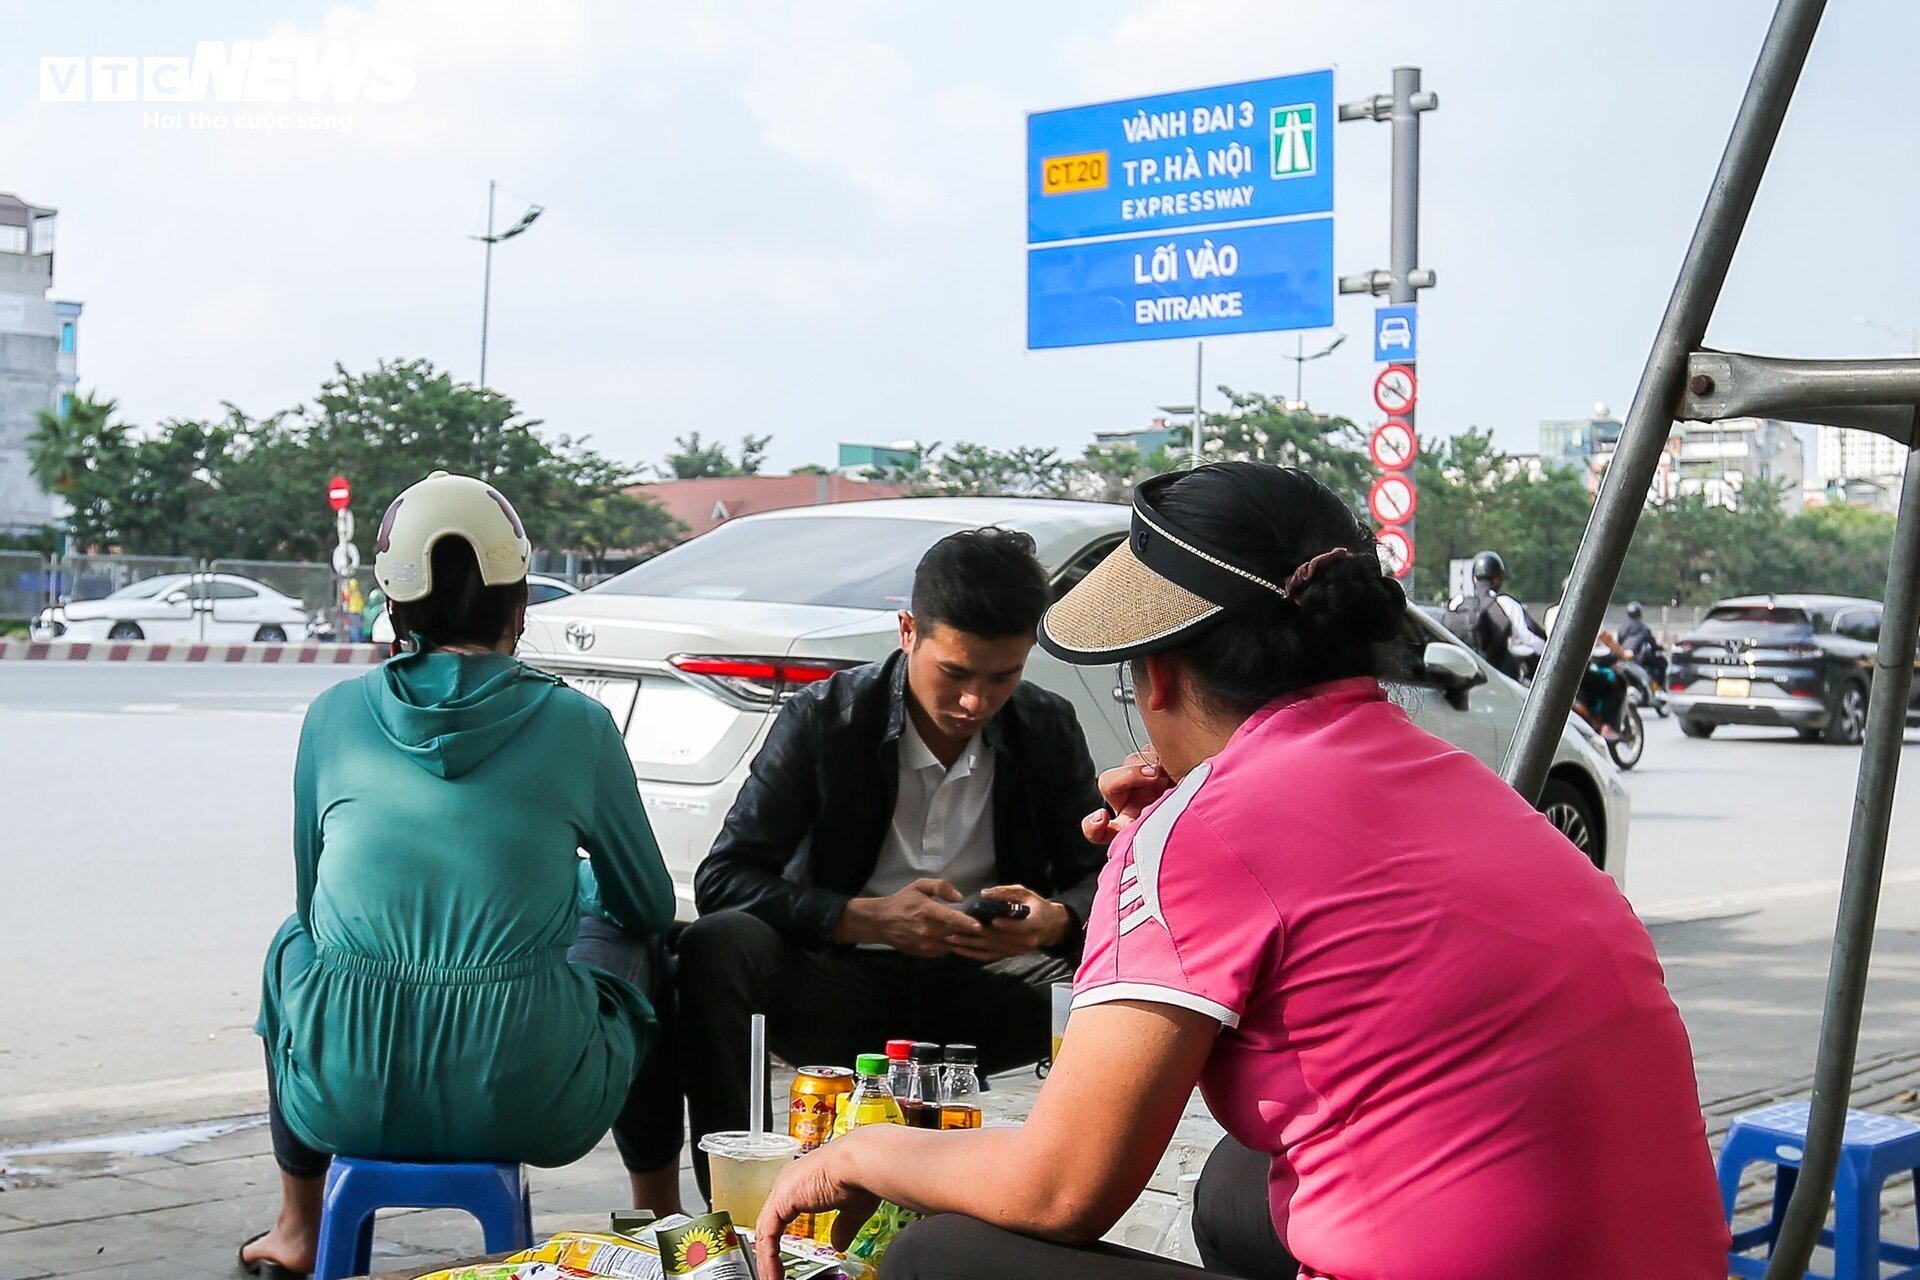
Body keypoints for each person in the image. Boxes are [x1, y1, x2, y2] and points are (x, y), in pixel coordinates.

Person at [751, 462, 1728, 1280]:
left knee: (942, 1258)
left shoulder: (1198, 829)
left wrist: (863, 1148)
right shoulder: (1466, 785)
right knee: (1232, 1185)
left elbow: (1061, 1188)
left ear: (1161, 672)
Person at [241, 472, 680, 1278]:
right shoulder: (577, 724)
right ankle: (659, 1222)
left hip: (343, 1093)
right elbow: (646, 901)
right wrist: (575, 894)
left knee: (290, 944)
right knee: (644, 944)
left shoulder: (333, 714)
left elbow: (315, 902)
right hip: (531, 1093)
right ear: (519, 604)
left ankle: (297, 1228)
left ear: (395, 607)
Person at [669, 526, 1104, 1195]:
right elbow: (724, 878)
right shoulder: (826, 717)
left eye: (1002, 677)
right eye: (954, 673)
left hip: (990, 987)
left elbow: (1099, 881)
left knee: (1126, 955)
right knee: (717, 944)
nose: (974, 703)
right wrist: (860, 919)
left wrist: (1050, 921)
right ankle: (739, 1199)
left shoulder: (1045, 724)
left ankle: (1068, 1185)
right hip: (843, 984)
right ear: (908, 631)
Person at [1446, 550, 1546, 680]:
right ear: (1498, 579)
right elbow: (1529, 639)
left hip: (1459, 676)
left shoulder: (1457, 602)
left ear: (1474, 579)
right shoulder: (1506, 604)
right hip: (1498, 678)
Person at [1618, 601, 1668, 687]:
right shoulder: (1643, 628)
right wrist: (1661, 647)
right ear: (1639, 613)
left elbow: (1619, 640)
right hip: (1637, 659)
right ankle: (1657, 688)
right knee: (1662, 662)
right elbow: (1653, 644)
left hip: (1623, 658)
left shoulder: (1622, 627)